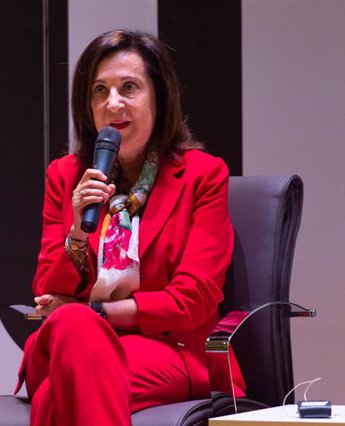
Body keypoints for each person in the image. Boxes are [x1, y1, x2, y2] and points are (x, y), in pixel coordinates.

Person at [15, 29, 239, 426]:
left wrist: (95, 313)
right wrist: (78, 233)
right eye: (99, 91)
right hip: (64, 345)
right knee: (71, 328)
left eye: (129, 87)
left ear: (160, 97)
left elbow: (195, 298)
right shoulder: (66, 176)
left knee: (56, 389)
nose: (112, 103)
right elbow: (48, 291)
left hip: (170, 350)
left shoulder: (203, 175)